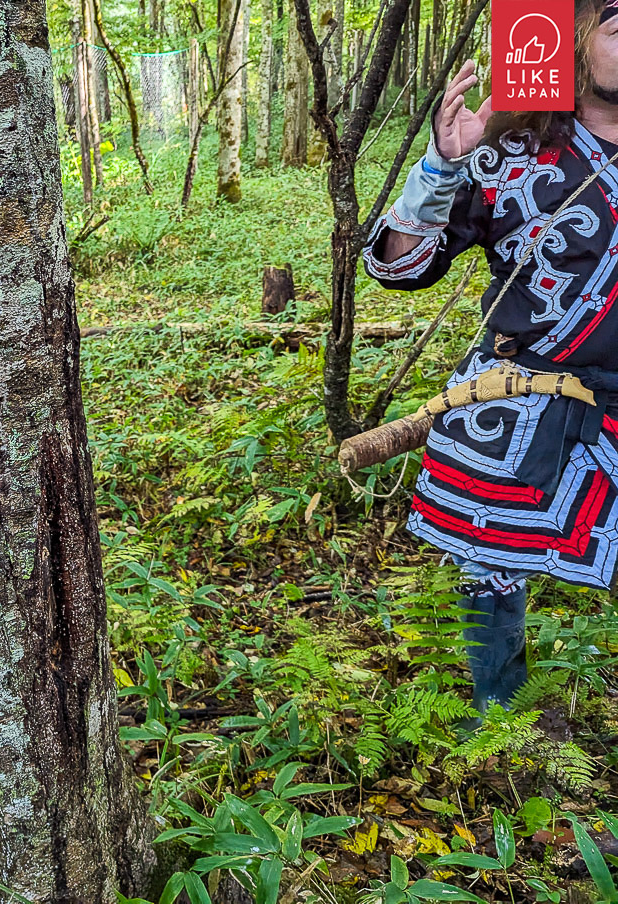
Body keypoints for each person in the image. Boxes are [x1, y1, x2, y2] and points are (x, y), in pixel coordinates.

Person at [363, 0, 618, 721]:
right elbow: (402, 266)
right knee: (491, 570)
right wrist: (443, 164)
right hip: (519, 402)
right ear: (570, 42)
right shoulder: (509, 155)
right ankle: (500, 724)